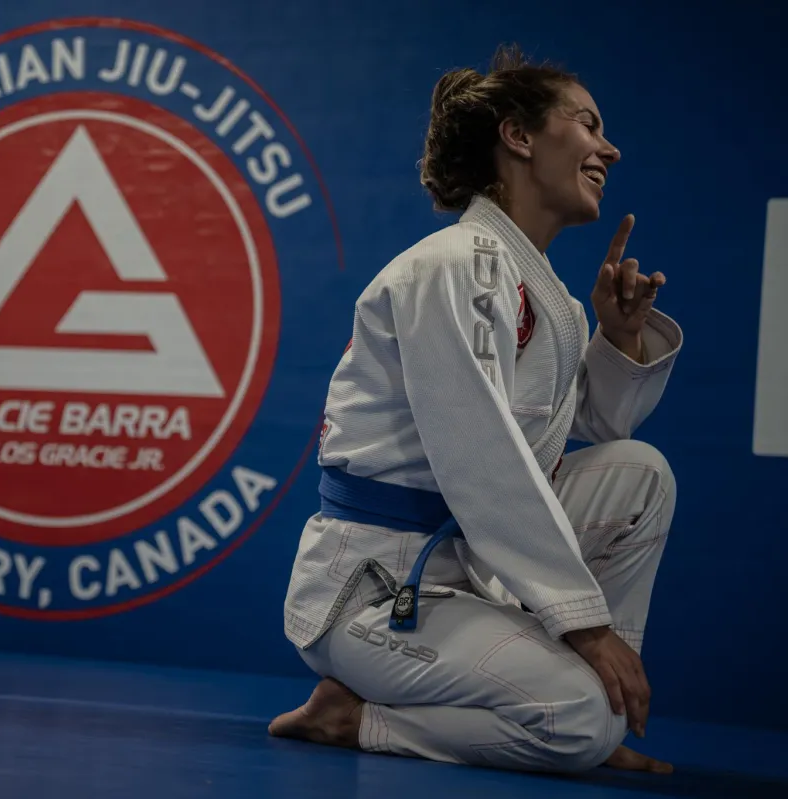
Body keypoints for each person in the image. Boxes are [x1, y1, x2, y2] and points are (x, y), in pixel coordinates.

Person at [269, 44, 682, 775]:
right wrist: (584, 625)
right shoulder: (451, 268)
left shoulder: (526, 281)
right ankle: (356, 717)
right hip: (377, 591)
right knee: (578, 720)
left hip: (460, 570)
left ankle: (593, 703)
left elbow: (582, 430)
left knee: (640, 475)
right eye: (586, 124)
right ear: (518, 137)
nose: (609, 148)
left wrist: (617, 341)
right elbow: (481, 458)